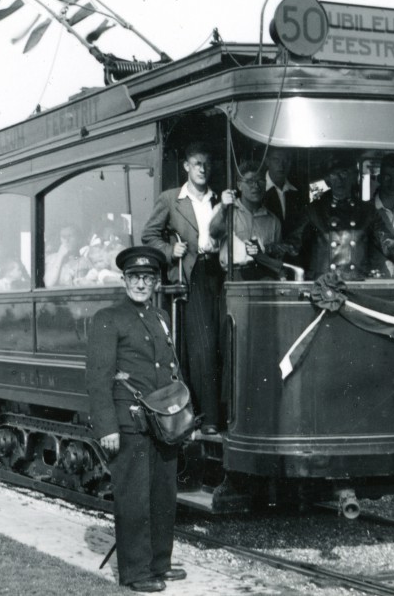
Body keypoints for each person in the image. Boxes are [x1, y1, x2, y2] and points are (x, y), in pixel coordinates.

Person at [85, 246, 186, 593]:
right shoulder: (108, 317)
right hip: (129, 422)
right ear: (124, 279)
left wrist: (181, 416)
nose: (141, 283)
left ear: (156, 282)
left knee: (162, 494)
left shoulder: (160, 317)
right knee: (134, 498)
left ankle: (160, 563)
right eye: (135, 277)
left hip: (163, 423)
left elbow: (172, 370)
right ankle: (136, 572)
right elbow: (99, 378)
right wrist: (107, 428)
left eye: (148, 278)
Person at [141, 142, 223, 434]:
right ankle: (209, 417)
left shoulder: (219, 199)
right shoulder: (171, 199)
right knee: (204, 346)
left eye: (207, 164)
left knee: (224, 341)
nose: (203, 169)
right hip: (194, 274)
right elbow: (148, 235)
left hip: (222, 271)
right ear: (186, 166)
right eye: (197, 163)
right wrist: (169, 250)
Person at [283, 155, 380, 281]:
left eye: (344, 173)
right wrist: (271, 249)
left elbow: (388, 243)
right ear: (328, 179)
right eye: (334, 174)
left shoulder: (367, 211)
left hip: (355, 282)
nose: (339, 179)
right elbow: (294, 243)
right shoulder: (314, 210)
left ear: (353, 176)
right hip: (324, 285)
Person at [209, 161, 284, 281]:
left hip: (265, 278)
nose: (256, 186)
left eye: (260, 181)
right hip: (236, 276)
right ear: (239, 185)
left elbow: (277, 257)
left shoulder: (273, 220)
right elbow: (214, 234)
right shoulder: (225, 210)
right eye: (249, 181)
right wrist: (223, 208)